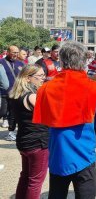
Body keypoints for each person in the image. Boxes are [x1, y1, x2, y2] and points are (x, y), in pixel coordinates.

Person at [32, 41, 96, 199]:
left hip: (58, 152)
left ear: (62, 61)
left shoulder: (45, 88)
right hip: (84, 152)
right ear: (84, 61)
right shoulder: (94, 88)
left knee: (57, 194)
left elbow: (42, 120)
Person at [9, 64, 48, 199]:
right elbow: (49, 115)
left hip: (24, 141)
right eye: (40, 76)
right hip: (38, 142)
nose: (43, 78)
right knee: (35, 181)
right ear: (27, 78)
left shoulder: (16, 94)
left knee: (26, 176)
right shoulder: (32, 96)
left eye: (44, 75)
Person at [0, 46, 25, 140]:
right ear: (8, 52)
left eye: (17, 52)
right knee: (2, 112)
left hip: (16, 93)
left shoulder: (21, 64)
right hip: (4, 93)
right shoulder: (1, 62)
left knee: (13, 113)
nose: (15, 54)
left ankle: (11, 132)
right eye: (13, 52)